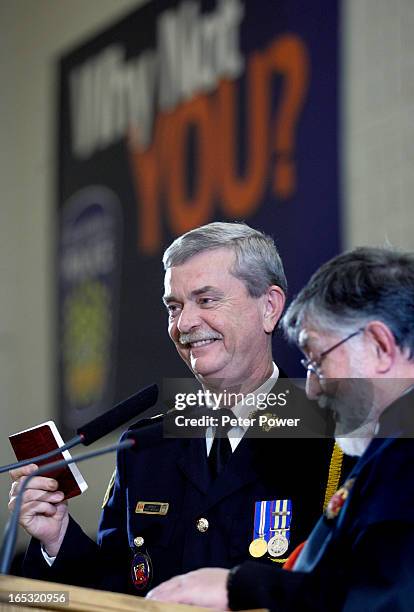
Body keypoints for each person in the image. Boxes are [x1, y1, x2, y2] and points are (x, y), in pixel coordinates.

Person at [9, 222, 345, 595]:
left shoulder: (333, 437)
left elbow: (351, 587)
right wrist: (57, 538)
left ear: (269, 307)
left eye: (206, 300)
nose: (184, 323)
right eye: (174, 306)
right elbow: (112, 594)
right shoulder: (145, 446)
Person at [147, 245, 414, 611]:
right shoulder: (390, 448)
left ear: (381, 346)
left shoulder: (403, 453)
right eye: (174, 307)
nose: (314, 387)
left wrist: (241, 586)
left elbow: (387, 599)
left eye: (318, 361)